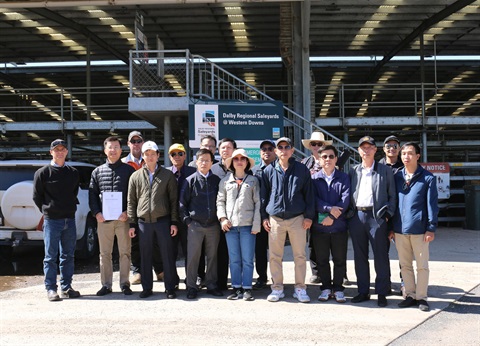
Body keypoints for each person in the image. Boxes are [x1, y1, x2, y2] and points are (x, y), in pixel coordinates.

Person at [261, 137, 315, 303]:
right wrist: (264, 217)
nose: (283, 150)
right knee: (275, 256)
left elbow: (309, 195)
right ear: (276, 151)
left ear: (292, 150)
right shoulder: (269, 170)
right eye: (280, 147)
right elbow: (264, 196)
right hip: (275, 219)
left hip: (297, 219)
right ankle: (277, 288)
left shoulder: (302, 170)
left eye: (287, 147)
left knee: (299, 255)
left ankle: (300, 288)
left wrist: (308, 216)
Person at [347, 136, 396, 307]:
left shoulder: (385, 170)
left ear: (376, 150)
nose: (366, 150)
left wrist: (387, 216)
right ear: (359, 151)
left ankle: (382, 292)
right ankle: (363, 291)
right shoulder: (353, 170)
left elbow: (392, 196)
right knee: (360, 256)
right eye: (363, 147)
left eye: (370, 147)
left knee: (380, 256)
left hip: (377, 218)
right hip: (357, 216)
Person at [127, 141, 179, 299]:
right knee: (145, 256)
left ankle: (170, 287)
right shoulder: (135, 176)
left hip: (163, 221)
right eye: (146, 154)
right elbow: (131, 201)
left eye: (152, 154)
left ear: (158, 155)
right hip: (143, 223)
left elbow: (173, 200)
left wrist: (174, 222)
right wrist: (132, 224)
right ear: (142, 156)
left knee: (167, 255)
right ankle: (147, 288)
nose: (150, 157)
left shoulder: (167, 175)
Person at [391, 142, 438, 312]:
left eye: (410, 153)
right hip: (399, 230)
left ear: (418, 156)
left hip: (419, 230)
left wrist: (431, 227)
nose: (406, 156)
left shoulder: (427, 178)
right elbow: (393, 203)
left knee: (422, 266)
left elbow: (432, 205)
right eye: (403, 153)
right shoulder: (396, 177)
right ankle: (410, 295)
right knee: (405, 265)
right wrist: (391, 227)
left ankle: (422, 297)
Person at [33, 139, 82, 302]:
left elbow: (73, 192)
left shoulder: (73, 172)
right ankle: (51, 289)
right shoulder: (42, 173)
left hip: (69, 219)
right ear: (51, 152)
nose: (60, 152)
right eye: (56, 149)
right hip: (52, 220)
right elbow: (37, 196)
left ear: (67, 152)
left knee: (68, 255)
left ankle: (66, 287)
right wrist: (48, 210)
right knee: (50, 256)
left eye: (62, 149)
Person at [89, 136, 135, 297]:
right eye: (110, 147)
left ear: (121, 150)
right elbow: (92, 194)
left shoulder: (129, 171)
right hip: (104, 220)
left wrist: (128, 213)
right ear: (105, 150)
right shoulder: (97, 171)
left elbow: (133, 194)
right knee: (105, 253)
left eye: (116, 147)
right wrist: (96, 213)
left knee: (125, 252)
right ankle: (106, 285)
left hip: (123, 219)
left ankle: (124, 283)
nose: (113, 150)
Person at [217, 149, 261, 301]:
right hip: (231, 227)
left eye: (243, 158)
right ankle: (236, 288)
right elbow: (220, 201)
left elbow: (258, 203)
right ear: (232, 163)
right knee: (234, 259)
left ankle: (247, 288)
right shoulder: (225, 181)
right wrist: (222, 218)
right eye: (236, 159)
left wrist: (256, 225)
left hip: (248, 225)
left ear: (247, 162)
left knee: (247, 259)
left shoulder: (253, 180)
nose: (239, 161)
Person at [180, 149, 223, 299]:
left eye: (207, 160)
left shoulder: (216, 180)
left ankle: (211, 285)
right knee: (193, 257)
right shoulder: (189, 180)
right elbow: (181, 204)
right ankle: (191, 286)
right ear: (196, 162)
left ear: (212, 162)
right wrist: (187, 222)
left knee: (212, 257)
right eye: (201, 160)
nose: (204, 163)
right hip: (195, 226)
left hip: (213, 225)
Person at [122, 131, 163, 285]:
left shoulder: (151, 161)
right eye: (133, 141)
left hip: (150, 209)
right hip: (131, 209)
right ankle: (137, 271)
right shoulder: (123, 164)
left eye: (139, 141)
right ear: (128, 143)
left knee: (155, 242)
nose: (136, 144)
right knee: (135, 243)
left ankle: (159, 270)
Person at [311, 145, 350, 303]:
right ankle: (326, 288)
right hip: (319, 228)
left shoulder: (344, 177)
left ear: (336, 159)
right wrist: (328, 209)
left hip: (339, 227)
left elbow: (345, 200)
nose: (328, 159)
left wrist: (332, 217)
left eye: (331, 156)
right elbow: (313, 199)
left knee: (340, 260)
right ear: (319, 159)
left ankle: (339, 288)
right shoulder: (313, 179)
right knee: (322, 260)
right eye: (324, 156)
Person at [300, 131, 333, 284]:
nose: (316, 146)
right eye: (313, 144)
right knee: (313, 241)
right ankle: (316, 272)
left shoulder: (331, 160)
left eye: (319, 144)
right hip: (311, 207)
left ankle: (342, 273)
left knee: (333, 241)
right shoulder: (303, 163)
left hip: (328, 207)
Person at [166, 143, 196, 284]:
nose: (176, 156)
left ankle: (190, 281)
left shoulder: (193, 172)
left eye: (180, 153)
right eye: (173, 154)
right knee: (170, 253)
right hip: (170, 220)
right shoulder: (165, 173)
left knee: (189, 252)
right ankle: (173, 282)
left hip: (188, 219)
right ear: (169, 157)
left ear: (185, 156)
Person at [211, 137, 237, 290]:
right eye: (223, 148)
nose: (225, 150)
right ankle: (220, 283)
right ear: (218, 151)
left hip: (238, 218)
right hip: (219, 218)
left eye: (229, 147)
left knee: (236, 254)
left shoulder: (241, 167)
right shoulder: (213, 168)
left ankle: (239, 283)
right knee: (220, 252)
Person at [251, 139, 277, 290]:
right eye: (263, 149)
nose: (266, 151)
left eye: (269, 148)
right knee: (259, 250)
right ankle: (262, 277)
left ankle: (276, 278)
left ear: (275, 151)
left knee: (275, 250)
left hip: (275, 216)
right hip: (258, 216)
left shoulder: (279, 169)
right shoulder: (254, 171)